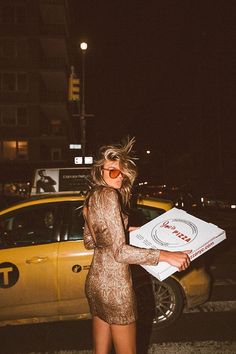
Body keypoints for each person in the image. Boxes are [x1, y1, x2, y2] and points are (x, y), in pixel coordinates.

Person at [83, 137, 191, 354]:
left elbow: (90, 242)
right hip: (116, 288)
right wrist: (166, 255)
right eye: (112, 171)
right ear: (99, 172)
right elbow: (120, 252)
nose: (119, 176)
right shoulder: (109, 195)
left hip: (96, 283)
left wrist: (124, 231)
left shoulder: (91, 197)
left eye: (121, 172)